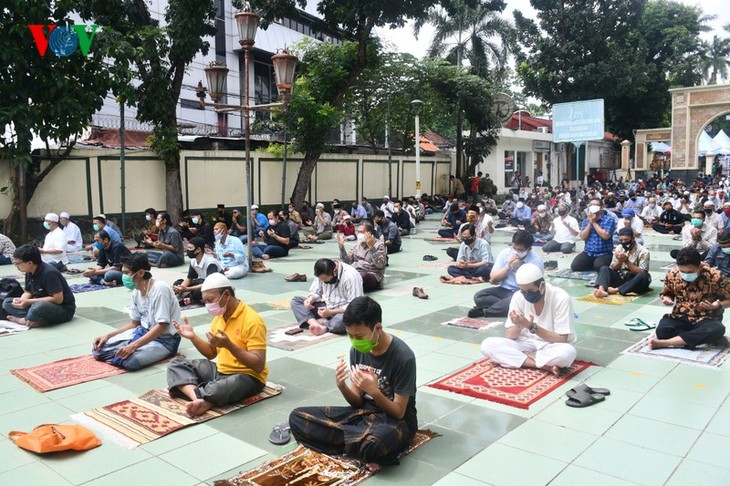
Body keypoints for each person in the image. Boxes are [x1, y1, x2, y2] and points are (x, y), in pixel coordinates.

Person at [289, 296, 417, 465]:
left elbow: (399, 412)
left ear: (377, 328)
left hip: (395, 421)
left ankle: (350, 440)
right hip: (362, 415)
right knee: (297, 417)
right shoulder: (356, 350)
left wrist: (374, 391)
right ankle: (355, 441)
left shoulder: (403, 356)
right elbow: (357, 403)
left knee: (375, 444)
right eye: (350, 336)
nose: (355, 341)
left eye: (359, 336)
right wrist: (342, 386)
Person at [167, 273, 267, 416]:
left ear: (226, 295)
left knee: (229, 384)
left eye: (210, 300)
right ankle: (200, 399)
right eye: (205, 301)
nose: (208, 305)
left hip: (247, 376)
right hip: (220, 372)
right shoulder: (219, 317)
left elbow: (258, 365)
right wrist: (193, 337)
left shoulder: (252, 320)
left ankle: (204, 396)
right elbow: (211, 353)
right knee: (176, 364)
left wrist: (229, 346)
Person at [480, 264, 576, 375]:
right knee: (487, 345)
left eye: (530, 291)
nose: (526, 295)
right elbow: (511, 336)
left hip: (552, 344)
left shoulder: (561, 298)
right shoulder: (518, 296)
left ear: (542, 285)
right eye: (523, 291)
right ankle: (542, 365)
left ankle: (523, 357)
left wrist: (531, 326)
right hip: (527, 342)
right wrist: (518, 324)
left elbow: (561, 339)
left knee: (567, 354)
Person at [92, 253, 181, 370]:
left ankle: (154, 351)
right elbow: (134, 323)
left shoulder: (160, 289)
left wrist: (133, 346)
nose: (123, 277)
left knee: (130, 362)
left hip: (164, 340)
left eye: (126, 273)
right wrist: (107, 336)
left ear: (140, 273)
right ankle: (128, 350)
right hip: (142, 332)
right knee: (99, 350)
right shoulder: (136, 291)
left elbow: (162, 325)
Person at [652, 248, 730, 350]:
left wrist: (716, 305)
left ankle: (665, 343)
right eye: (682, 271)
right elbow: (668, 293)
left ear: (699, 266)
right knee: (662, 331)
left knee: (717, 329)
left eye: (690, 271)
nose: (686, 274)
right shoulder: (673, 274)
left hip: (706, 318)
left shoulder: (716, 276)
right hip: (680, 316)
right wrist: (667, 299)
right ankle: (711, 339)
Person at [469, 230, 544, 318]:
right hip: (504, 290)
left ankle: (487, 311)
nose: (516, 252)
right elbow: (493, 279)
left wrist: (519, 268)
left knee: (521, 300)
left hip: (523, 292)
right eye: (514, 248)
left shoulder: (536, 261)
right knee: (479, 296)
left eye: (520, 250)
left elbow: (531, 287)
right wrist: (508, 267)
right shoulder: (505, 253)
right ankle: (505, 307)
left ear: (529, 249)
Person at [2, 245, 75, 327]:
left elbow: (58, 299)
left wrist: (29, 301)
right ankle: (37, 319)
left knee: (39, 306)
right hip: (37, 304)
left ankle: (24, 320)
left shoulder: (49, 273)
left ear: (29, 263)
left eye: (18, 263)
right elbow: (28, 291)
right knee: (7, 302)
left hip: (62, 309)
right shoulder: (29, 271)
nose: (16, 266)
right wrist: (22, 300)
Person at [289, 258, 363, 335]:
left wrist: (331, 312)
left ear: (334, 271)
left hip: (343, 311)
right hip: (327, 307)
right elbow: (316, 292)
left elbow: (355, 305)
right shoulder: (322, 272)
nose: (324, 282)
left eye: (326, 281)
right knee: (296, 301)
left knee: (340, 323)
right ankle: (316, 324)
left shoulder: (351, 276)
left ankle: (324, 323)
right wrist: (311, 298)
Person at [593, 228, 651, 298]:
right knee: (604, 268)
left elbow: (642, 272)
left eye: (626, 240)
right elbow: (613, 268)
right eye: (621, 240)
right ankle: (601, 290)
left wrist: (627, 262)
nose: (623, 242)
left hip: (634, 280)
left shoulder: (643, 252)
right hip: (621, 278)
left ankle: (616, 290)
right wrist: (620, 261)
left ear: (633, 238)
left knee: (644, 276)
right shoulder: (619, 248)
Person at [338, 221, 387, 292]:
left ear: (369, 233)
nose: (359, 234)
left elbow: (380, 264)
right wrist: (342, 247)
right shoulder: (358, 244)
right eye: (358, 232)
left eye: (362, 232)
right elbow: (347, 262)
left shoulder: (379, 245)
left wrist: (371, 247)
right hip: (355, 271)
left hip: (371, 274)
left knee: (362, 276)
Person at [173, 237, 222, 306]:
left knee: (198, 292)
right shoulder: (193, 261)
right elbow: (189, 278)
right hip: (202, 281)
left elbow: (210, 284)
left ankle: (190, 298)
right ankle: (188, 297)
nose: (188, 250)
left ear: (198, 249)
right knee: (178, 283)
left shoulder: (211, 263)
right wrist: (181, 287)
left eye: (190, 248)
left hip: (215, 286)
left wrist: (187, 289)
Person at [571, 201, 616, 272]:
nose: (593, 206)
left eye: (596, 204)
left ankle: (596, 263)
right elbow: (583, 237)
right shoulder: (586, 221)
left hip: (604, 253)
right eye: (591, 204)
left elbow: (606, 236)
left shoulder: (609, 220)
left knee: (599, 267)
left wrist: (594, 222)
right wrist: (590, 222)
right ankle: (592, 262)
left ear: (601, 207)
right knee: (575, 266)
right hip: (588, 252)